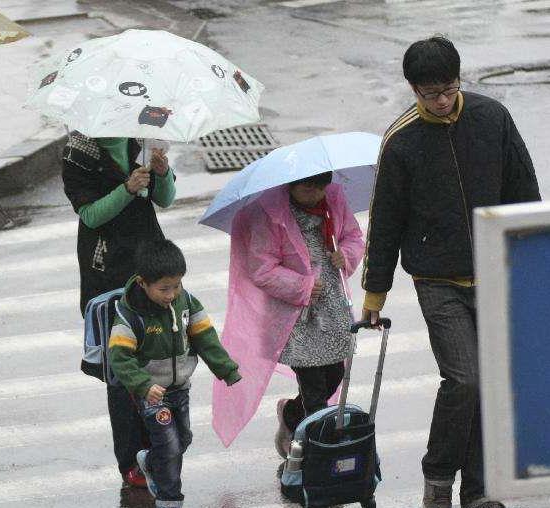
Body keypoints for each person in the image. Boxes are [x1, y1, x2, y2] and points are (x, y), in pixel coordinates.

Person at [361, 37, 540, 508]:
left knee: (493, 383)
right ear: (413, 90)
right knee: (465, 380)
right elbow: (385, 221)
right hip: (438, 282)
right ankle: (439, 476)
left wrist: (533, 268)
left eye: (448, 89)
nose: (441, 101)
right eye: (429, 93)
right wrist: (374, 295)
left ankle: (478, 492)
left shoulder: (492, 118)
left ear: (460, 78)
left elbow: (525, 191)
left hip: (496, 274)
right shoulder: (401, 142)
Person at [211, 174, 364, 455]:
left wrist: (346, 254)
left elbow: (354, 237)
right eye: (308, 188)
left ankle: (293, 414)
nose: (316, 194)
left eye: (321, 187)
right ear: (291, 186)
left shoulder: (334, 201)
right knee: (314, 388)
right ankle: (317, 451)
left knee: (334, 375)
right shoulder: (268, 214)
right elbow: (262, 268)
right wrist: (301, 285)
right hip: (295, 316)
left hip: (331, 305)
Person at [62, 133, 176, 488]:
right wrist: (126, 188)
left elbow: (164, 199)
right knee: (122, 374)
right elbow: (91, 215)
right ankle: (130, 460)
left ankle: (156, 448)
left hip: (150, 268)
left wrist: (162, 172)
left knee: (156, 363)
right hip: (108, 275)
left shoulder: (136, 141)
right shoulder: (77, 154)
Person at [108, 239, 241, 508]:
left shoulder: (187, 303)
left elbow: (205, 337)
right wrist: (143, 385)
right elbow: (119, 358)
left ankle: (149, 461)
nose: (171, 294)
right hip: (152, 394)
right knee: (169, 446)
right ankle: (170, 499)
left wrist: (226, 368)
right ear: (143, 283)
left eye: (176, 286)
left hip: (180, 387)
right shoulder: (130, 314)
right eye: (163, 288)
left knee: (183, 439)